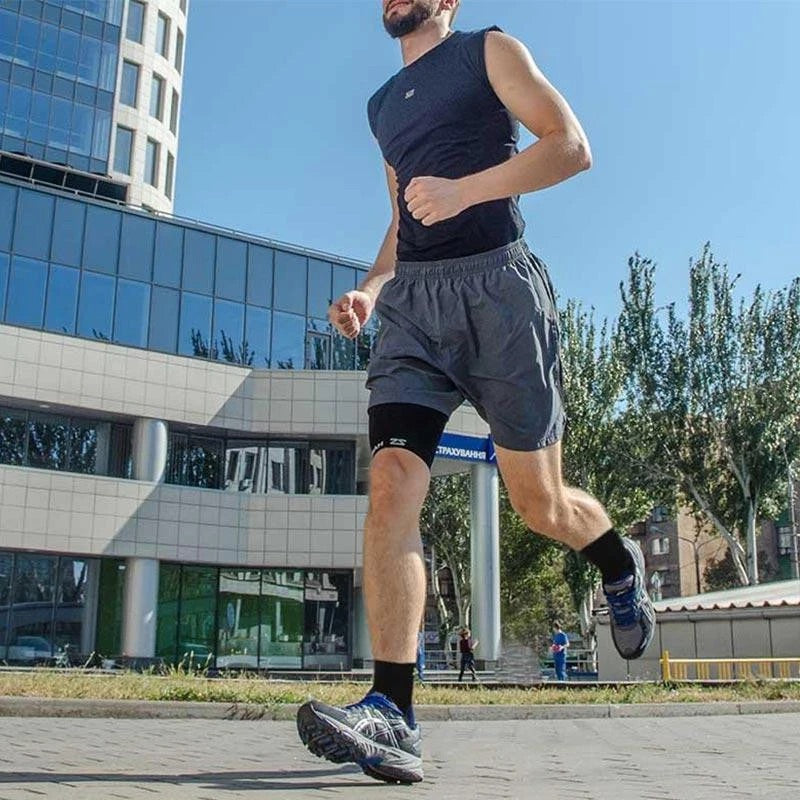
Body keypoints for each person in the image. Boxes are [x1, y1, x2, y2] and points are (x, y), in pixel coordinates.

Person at [296, 0, 655, 785]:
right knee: (391, 482)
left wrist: (466, 191)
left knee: (539, 504)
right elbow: (401, 219)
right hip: (415, 308)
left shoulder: (489, 50)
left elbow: (569, 147)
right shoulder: (381, 106)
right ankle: (393, 712)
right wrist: (370, 290)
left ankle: (617, 560)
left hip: (501, 292)